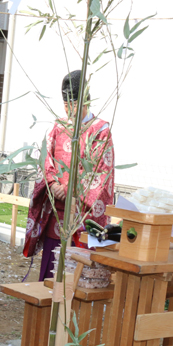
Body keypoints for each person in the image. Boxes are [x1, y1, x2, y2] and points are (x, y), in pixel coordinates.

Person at [23, 70, 115, 281]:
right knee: (51, 266)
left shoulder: (100, 131)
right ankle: (49, 309)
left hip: (82, 213)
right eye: (66, 104)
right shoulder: (58, 127)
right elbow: (45, 159)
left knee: (78, 273)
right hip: (57, 211)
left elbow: (102, 171)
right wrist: (53, 183)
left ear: (86, 101)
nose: (69, 109)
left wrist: (71, 189)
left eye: (73, 104)